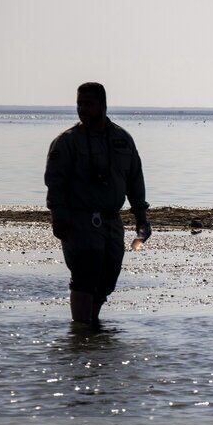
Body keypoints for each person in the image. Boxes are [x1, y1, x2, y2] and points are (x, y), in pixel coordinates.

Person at [44, 82, 150, 327]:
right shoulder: (67, 142)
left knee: (109, 277)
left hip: (112, 220)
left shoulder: (122, 139)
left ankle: (92, 325)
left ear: (103, 105)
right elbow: (55, 182)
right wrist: (58, 217)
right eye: (79, 104)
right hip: (79, 220)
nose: (82, 109)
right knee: (84, 275)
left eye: (88, 104)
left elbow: (135, 180)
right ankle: (81, 331)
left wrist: (141, 219)